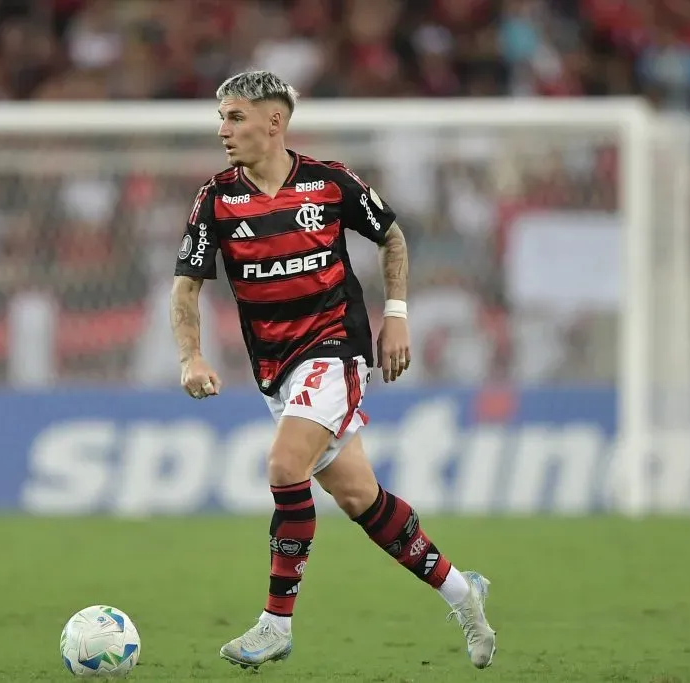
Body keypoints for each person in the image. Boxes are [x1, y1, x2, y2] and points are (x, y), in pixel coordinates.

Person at [169, 70, 496, 671]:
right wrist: (190, 355)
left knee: (283, 465)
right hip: (275, 369)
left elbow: (392, 238)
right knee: (360, 498)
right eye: (220, 118)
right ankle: (461, 591)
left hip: (335, 351)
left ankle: (275, 623)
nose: (223, 130)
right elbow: (186, 285)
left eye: (235, 117)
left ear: (275, 122)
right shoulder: (216, 199)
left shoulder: (328, 183)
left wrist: (396, 315)